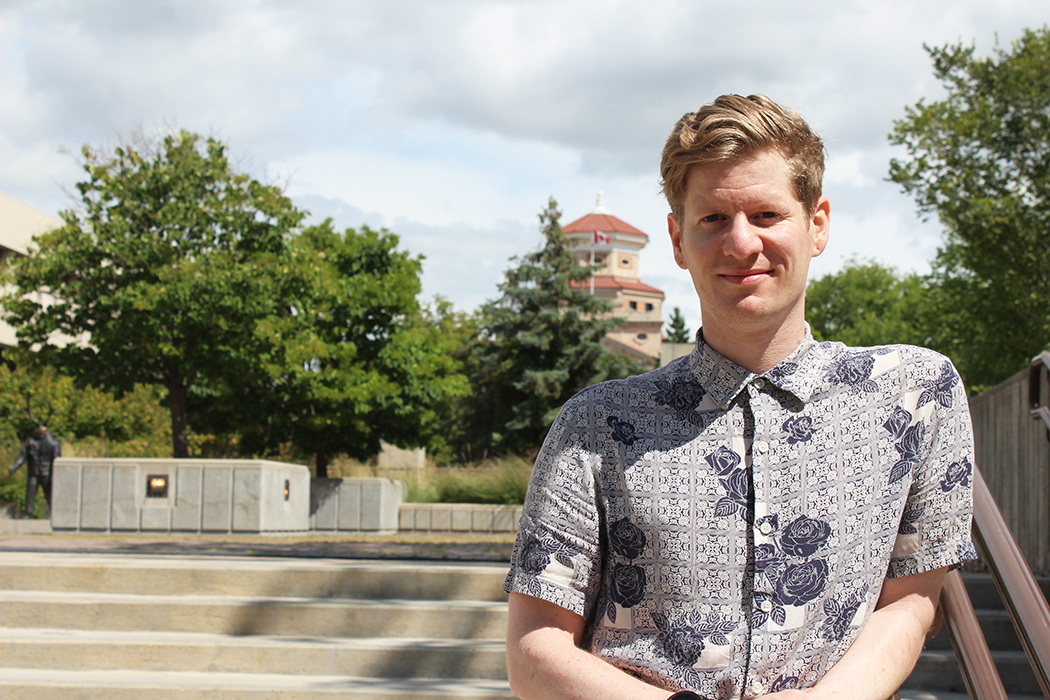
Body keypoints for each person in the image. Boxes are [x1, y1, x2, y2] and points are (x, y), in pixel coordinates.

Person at [503, 94, 976, 700]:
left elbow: (912, 602)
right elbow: (534, 649)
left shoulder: (914, 398)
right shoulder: (594, 425)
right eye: (713, 220)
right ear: (677, 241)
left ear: (818, 223)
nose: (741, 242)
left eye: (767, 214)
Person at [10, 424, 61, 519]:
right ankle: (28, 513)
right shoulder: (30, 442)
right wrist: (14, 467)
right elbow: (22, 456)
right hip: (33, 473)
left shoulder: (52, 443)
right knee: (30, 493)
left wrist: (58, 475)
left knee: (49, 494)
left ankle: (55, 514)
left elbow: (57, 460)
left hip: (47, 474)